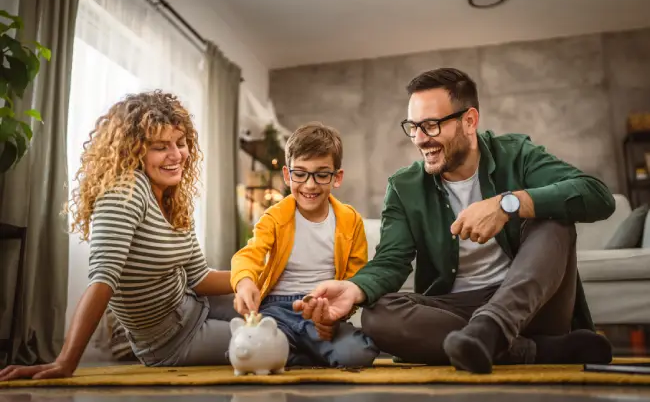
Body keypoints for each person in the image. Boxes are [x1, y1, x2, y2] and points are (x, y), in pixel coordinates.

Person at [293, 68, 616, 374]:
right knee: (377, 314)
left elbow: (596, 196)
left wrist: (508, 203)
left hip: (530, 304)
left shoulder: (517, 154)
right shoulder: (404, 186)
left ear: (469, 121)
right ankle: (534, 351)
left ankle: (494, 328)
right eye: (413, 126)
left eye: (431, 125)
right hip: (457, 312)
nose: (420, 139)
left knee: (552, 218)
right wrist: (354, 288)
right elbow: (392, 261)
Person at [0, 91, 237, 381]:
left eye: (181, 143)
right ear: (134, 149)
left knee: (279, 304)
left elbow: (199, 277)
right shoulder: (124, 191)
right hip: (172, 341)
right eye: (161, 147)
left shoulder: (172, 197)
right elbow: (103, 279)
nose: (177, 155)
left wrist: (259, 274)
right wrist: (64, 362)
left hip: (195, 306)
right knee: (279, 338)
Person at [231, 122, 379, 368]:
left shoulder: (350, 220)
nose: (310, 185)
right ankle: (305, 354)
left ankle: (293, 355)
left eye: (322, 174)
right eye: (300, 174)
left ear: (337, 177)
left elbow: (355, 276)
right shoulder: (275, 217)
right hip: (276, 312)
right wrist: (245, 281)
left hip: (322, 311)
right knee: (256, 349)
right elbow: (249, 255)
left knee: (361, 351)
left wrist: (336, 315)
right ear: (288, 176)